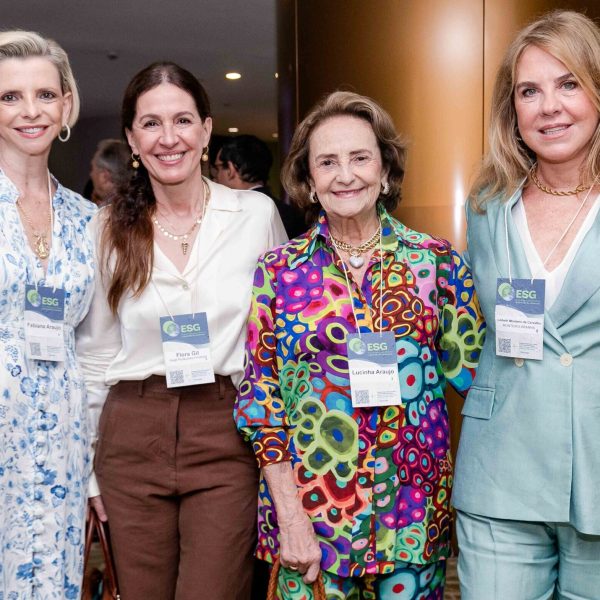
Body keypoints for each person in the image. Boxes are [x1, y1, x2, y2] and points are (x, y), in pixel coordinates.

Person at [235, 91, 484, 598]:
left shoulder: (435, 263)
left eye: (360, 157)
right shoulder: (279, 272)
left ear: (386, 170)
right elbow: (261, 401)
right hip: (312, 521)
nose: (344, 175)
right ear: (308, 180)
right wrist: (289, 515)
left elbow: (483, 383)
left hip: (412, 519)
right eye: (327, 162)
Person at [76, 61, 287, 600]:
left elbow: (278, 339)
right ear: (131, 138)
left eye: (183, 121)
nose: (168, 139)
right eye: (150, 123)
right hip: (132, 431)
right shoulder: (104, 229)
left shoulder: (254, 214)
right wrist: (89, 469)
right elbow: (96, 353)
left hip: (224, 428)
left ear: (207, 130)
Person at [453, 10, 600, 600]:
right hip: (500, 469)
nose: (550, 106)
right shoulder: (489, 202)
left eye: (569, 83)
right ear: (511, 109)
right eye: (529, 91)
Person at [0, 31, 96, 597]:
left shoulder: (88, 219)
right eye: (9, 97)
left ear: (65, 104)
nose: (30, 111)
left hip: (62, 445)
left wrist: (91, 468)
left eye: (44, 95)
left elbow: (93, 342)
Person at [212, 134, 306, 238]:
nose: (215, 177)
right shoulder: (290, 214)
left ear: (231, 170)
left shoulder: (233, 216)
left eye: (218, 168)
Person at [88, 138, 132, 206]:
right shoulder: (141, 206)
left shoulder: (101, 214)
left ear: (104, 177)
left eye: (92, 169)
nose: (91, 175)